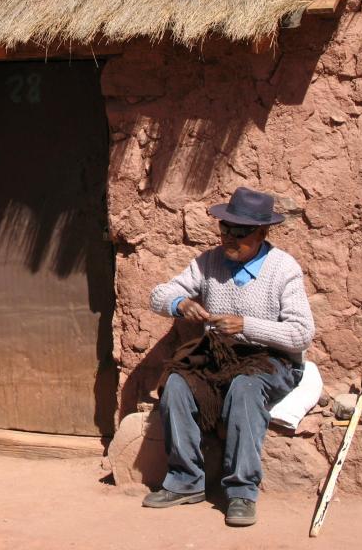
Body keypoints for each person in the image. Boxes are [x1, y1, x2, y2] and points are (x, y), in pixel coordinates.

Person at [141, 186, 315, 527]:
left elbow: (300, 333)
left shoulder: (284, 270)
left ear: (263, 233)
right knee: (176, 383)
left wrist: (247, 326)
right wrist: (179, 304)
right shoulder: (208, 263)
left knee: (245, 389)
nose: (230, 238)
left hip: (271, 359)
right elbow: (158, 294)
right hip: (220, 356)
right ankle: (185, 480)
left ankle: (241, 490)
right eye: (225, 229)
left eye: (241, 232)